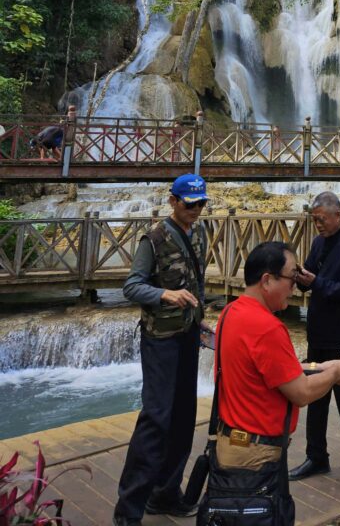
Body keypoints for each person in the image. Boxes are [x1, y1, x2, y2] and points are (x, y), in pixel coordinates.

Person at [213, 242, 340, 517]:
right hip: (257, 455)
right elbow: (301, 393)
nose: (295, 288)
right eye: (292, 278)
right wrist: (338, 372)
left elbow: (270, 369)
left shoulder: (231, 313)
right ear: (267, 280)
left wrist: (321, 366)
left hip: (231, 444)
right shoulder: (267, 328)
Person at [112, 173, 210, 526]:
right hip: (160, 340)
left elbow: (196, 283)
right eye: (189, 204)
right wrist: (163, 294)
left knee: (183, 416)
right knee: (156, 419)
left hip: (188, 336)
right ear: (173, 201)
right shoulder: (152, 240)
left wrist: (199, 319)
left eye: (201, 204)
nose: (195, 210)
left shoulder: (199, 232)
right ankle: (128, 511)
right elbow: (132, 286)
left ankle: (165, 494)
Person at [290, 192, 340, 491]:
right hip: (318, 331)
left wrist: (316, 282)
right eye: (314, 220)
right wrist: (298, 277)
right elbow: (311, 276)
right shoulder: (318, 241)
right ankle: (316, 456)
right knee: (315, 397)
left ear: (337, 215)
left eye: (322, 219)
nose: (318, 224)